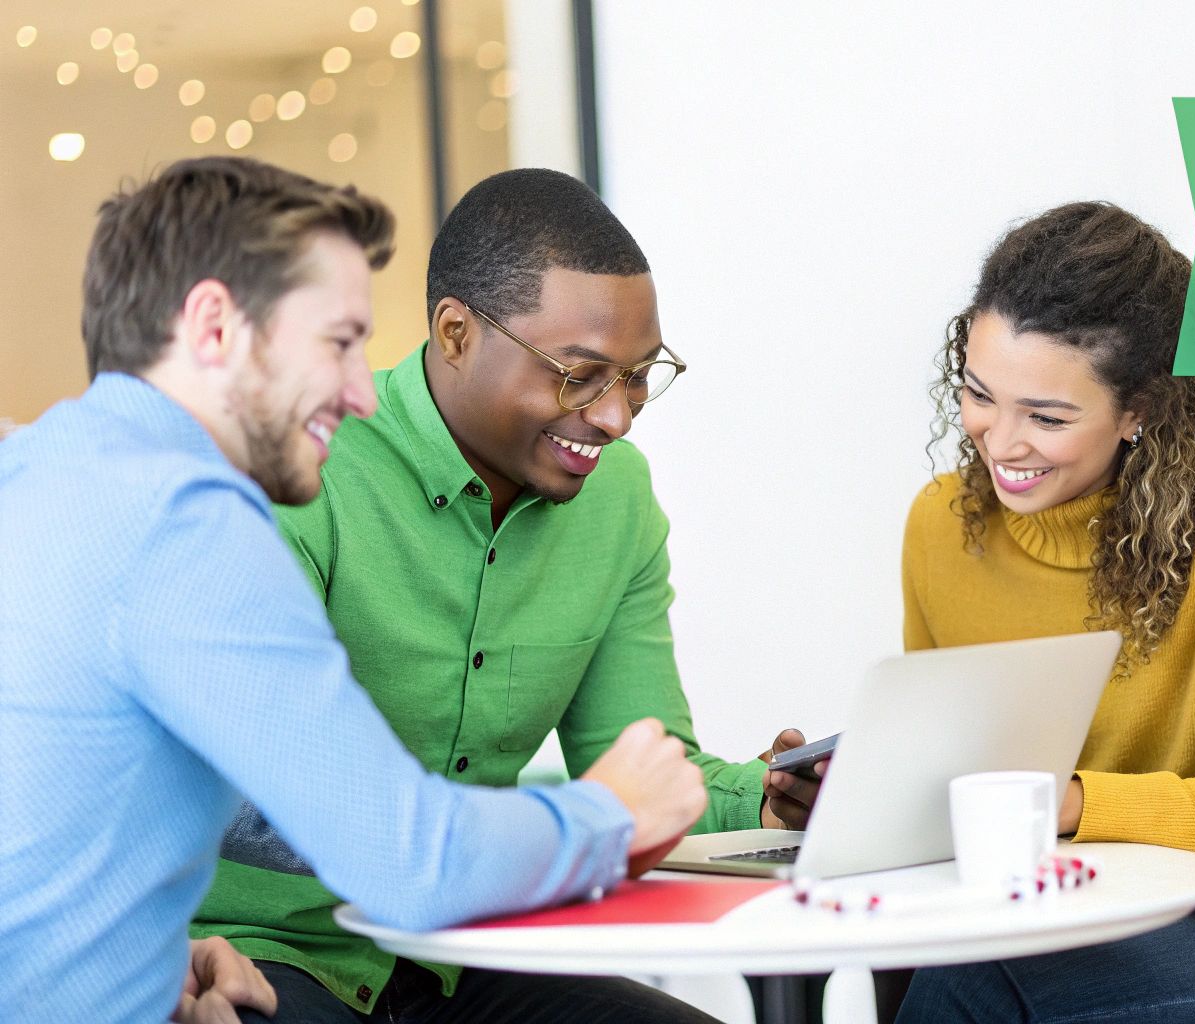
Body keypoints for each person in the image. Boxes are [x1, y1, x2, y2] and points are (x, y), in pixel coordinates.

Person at [0, 157, 709, 1024]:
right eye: (336, 345)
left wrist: (145, 958)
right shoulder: (188, 524)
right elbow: (405, 858)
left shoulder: (38, 470)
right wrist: (607, 819)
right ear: (215, 327)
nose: (361, 391)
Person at [189, 167, 813, 1021]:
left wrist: (771, 799)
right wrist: (551, 829)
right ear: (454, 333)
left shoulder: (618, 498)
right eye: (580, 374)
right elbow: (237, 783)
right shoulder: (307, 465)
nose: (616, 416)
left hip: (465, 950)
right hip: (263, 952)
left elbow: (638, 764)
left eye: (638, 375)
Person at [891, 201, 1195, 1022]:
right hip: (1055, 907)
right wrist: (863, 789)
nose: (1000, 442)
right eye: (978, 394)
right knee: (950, 977)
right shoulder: (942, 524)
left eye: (1046, 417)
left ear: (1140, 409)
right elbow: (952, 761)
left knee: (986, 992)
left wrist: (1065, 803)